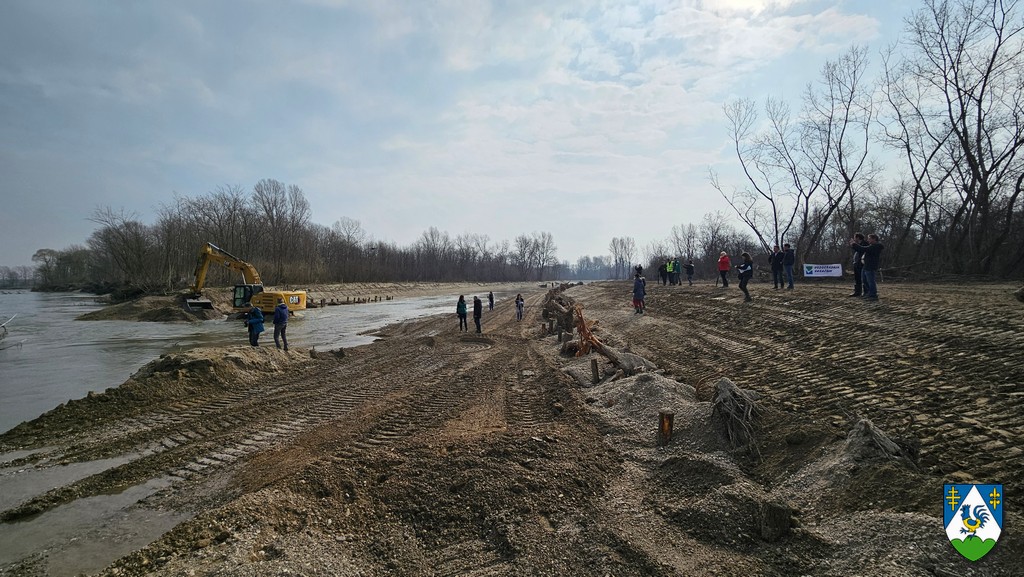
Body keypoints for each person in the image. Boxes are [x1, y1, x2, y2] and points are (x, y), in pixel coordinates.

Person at [850, 233, 884, 301]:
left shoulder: (876, 246)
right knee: (864, 281)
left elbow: (862, 249)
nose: (868, 240)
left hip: (870, 266)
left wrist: (854, 244)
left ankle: (873, 295)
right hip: (866, 265)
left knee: (871, 281)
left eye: (869, 239)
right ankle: (867, 293)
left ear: (874, 239)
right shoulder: (871, 246)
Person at [850, 233, 868, 297]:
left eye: (855, 237)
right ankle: (857, 292)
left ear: (858, 237)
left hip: (861, 264)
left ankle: (866, 292)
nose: (854, 239)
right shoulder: (859, 244)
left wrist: (854, 244)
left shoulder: (864, 244)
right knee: (857, 279)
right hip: (857, 263)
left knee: (863, 279)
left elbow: (860, 250)